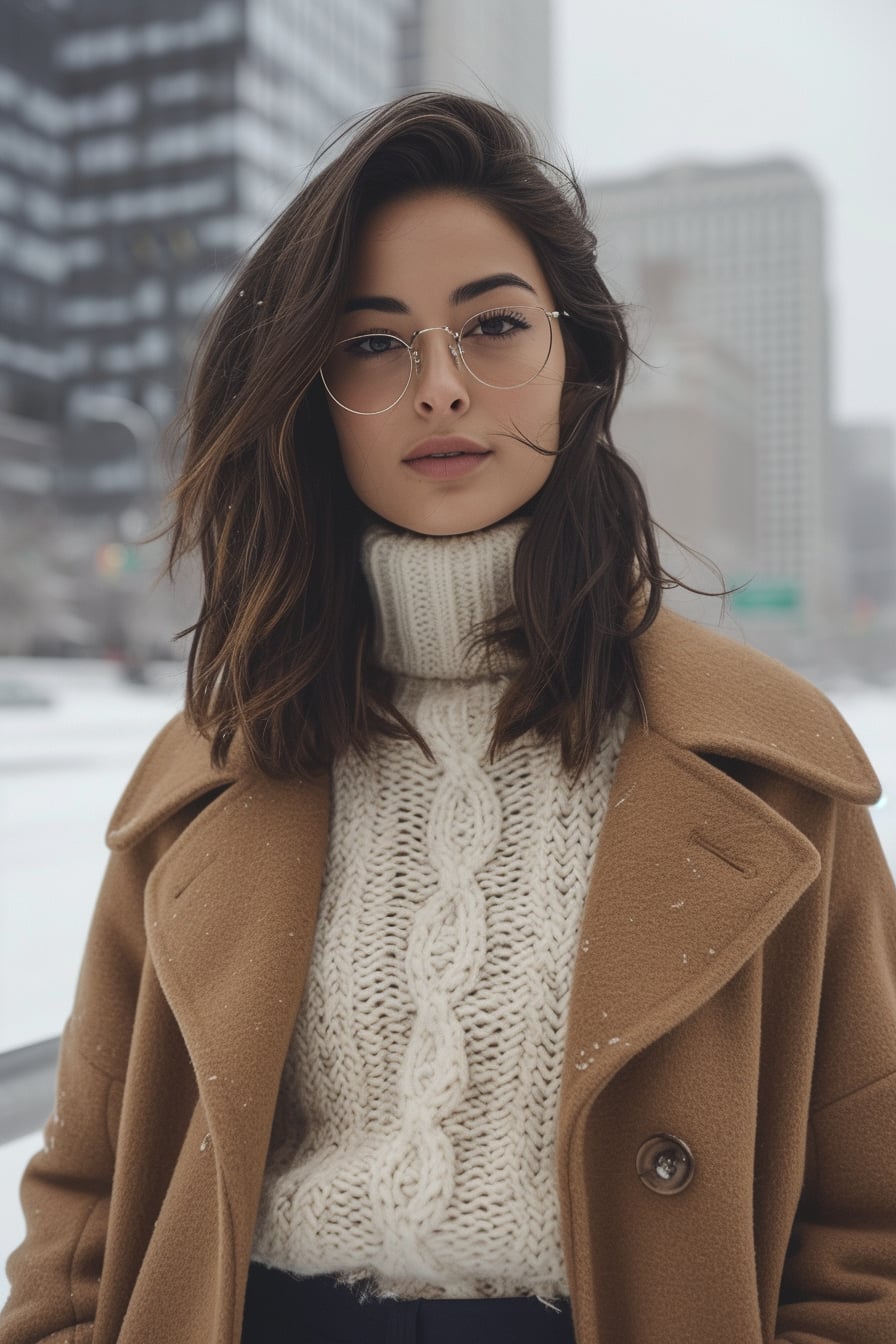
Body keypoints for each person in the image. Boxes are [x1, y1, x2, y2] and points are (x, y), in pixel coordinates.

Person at [2, 91, 895, 1344]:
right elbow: (87, 1203)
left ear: (573, 353)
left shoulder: (770, 767)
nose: (437, 387)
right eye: (373, 343)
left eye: (490, 326)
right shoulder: (206, 770)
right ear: (311, 394)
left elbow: (872, 1227)